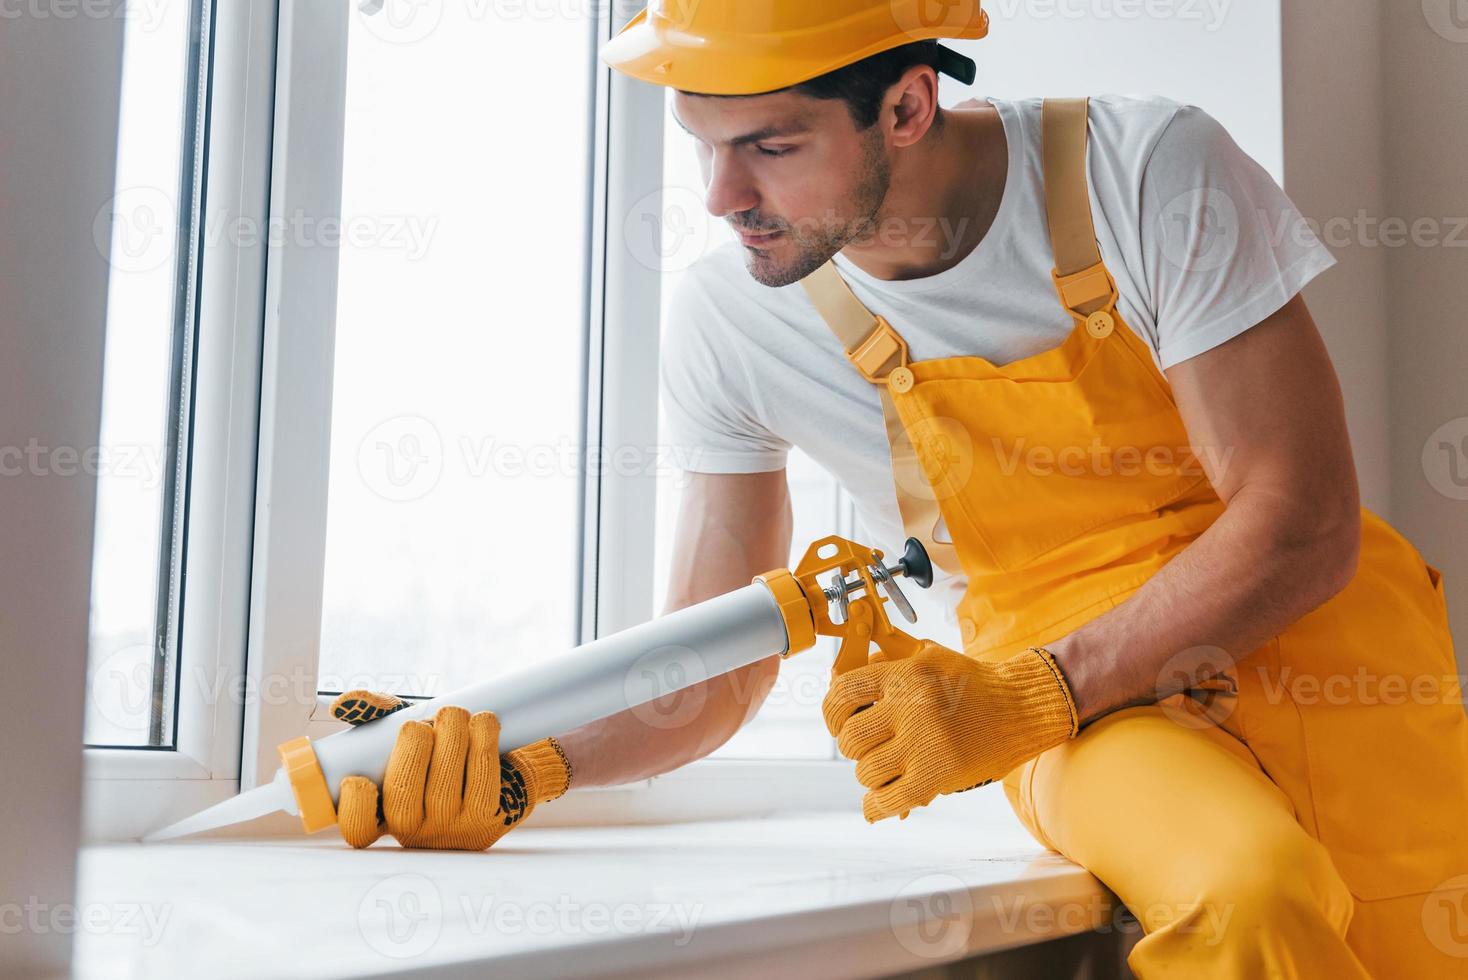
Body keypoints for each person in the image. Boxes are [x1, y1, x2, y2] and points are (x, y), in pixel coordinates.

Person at [331, 4, 1468, 976]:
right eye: (702, 144)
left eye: (769, 145)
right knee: (1246, 889)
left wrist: (1022, 695)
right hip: (1093, 709)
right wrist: (533, 765)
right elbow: (712, 660)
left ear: (908, 105)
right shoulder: (735, 324)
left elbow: (1299, 518)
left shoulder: (1142, 168)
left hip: (1325, 649)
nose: (723, 195)